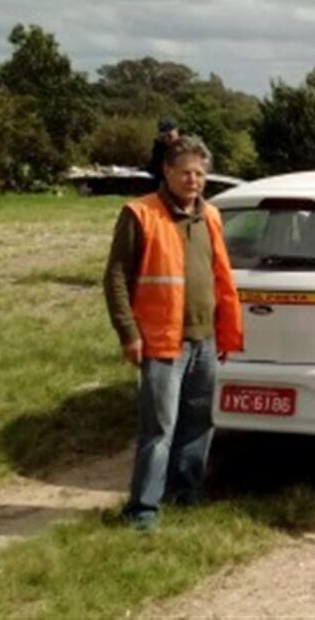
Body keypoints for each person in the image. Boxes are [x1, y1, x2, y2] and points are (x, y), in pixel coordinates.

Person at [104, 135, 244, 531]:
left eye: (200, 173)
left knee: (198, 423)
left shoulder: (211, 216)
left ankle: (185, 493)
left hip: (206, 341)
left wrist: (226, 331)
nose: (194, 180)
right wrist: (128, 333)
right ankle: (144, 510)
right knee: (158, 429)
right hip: (162, 341)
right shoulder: (139, 213)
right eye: (185, 172)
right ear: (166, 171)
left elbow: (219, 277)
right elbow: (115, 278)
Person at [147, 117, 180, 182]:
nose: (167, 139)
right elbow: (155, 166)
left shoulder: (184, 145)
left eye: (169, 136)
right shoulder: (159, 147)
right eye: (164, 137)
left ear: (177, 131)